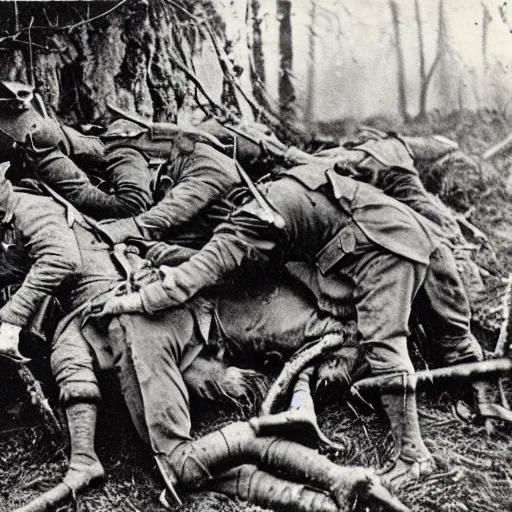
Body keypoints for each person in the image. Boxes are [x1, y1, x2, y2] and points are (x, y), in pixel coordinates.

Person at [0, 176, 406, 512]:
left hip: (141, 321)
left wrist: (12, 319)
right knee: (189, 464)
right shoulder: (57, 232)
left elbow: (63, 265)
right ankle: (329, 488)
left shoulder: (38, 222)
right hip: (167, 303)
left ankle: (325, 478)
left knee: (179, 462)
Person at [95, 160, 474, 487]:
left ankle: (413, 456)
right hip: (415, 233)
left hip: (384, 255)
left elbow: (190, 278)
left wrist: (132, 299)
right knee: (453, 333)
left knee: (384, 344)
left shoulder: (248, 224)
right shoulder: (292, 187)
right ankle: (488, 403)